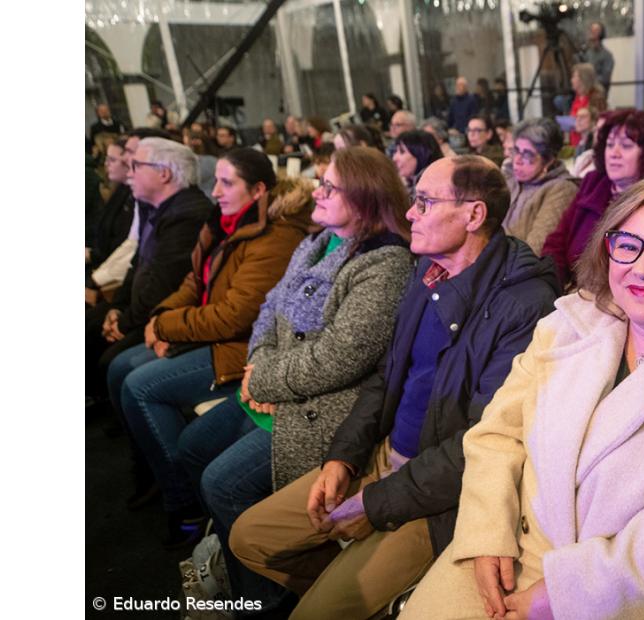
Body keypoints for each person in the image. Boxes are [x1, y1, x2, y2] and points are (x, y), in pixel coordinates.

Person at [401, 175, 644, 620]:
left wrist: (563, 597)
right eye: (627, 244)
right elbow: (496, 434)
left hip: (642, 595)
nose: (643, 268)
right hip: (514, 548)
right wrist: (485, 531)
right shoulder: (569, 324)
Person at [229, 155, 560, 620]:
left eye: (423, 202)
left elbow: (480, 445)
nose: (409, 213)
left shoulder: (525, 305)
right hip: (383, 457)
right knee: (250, 537)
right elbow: (387, 377)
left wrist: (379, 503)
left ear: (473, 215)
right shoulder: (429, 273)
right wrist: (342, 456)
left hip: (439, 497)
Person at [175, 145, 415, 611]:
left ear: (364, 199)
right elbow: (270, 307)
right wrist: (257, 370)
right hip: (274, 385)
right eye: (320, 182)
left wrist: (263, 380)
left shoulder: (384, 263)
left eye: (329, 187)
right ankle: (241, 569)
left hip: (320, 407)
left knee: (221, 485)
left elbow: (338, 358)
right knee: (193, 448)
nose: (315, 192)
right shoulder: (314, 241)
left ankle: (266, 598)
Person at [112, 148, 314, 547]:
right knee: (122, 368)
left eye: (227, 182)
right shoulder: (225, 224)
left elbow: (235, 316)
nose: (215, 190)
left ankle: (182, 502)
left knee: (140, 385)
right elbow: (195, 280)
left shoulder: (275, 236)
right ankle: (163, 479)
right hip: (215, 335)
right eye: (215, 180)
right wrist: (162, 316)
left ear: (257, 190)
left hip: (239, 349)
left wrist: (169, 325)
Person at [86, 136, 213, 414]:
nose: (129, 173)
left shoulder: (188, 214)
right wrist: (118, 307)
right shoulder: (157, 209)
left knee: (119, 364)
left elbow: (164, 284)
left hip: (165, 313)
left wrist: (125, 320)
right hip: (146, 309)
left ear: (164, 173)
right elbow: (138, 267)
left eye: (136, 166)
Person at [542, 108, 644, 288]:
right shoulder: (593, 183)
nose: (614, 153)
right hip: (574, 292)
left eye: (626, 145)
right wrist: (551, 284)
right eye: (609, 145)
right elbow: (557, 241)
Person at [502, 118, 579, 255]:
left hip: (521, 272)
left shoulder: (562, 189)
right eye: (516, 150)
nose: (517, 160)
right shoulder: (509, 178)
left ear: (548, 160)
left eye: (527, 154)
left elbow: (535, 252)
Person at [87, 139, 137, 303]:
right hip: (104, 266)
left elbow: (127, 246)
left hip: (114, 276)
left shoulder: (134, 197)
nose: (106, 164)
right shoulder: (122, 190)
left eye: (112, 159)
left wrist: (94, 280)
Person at [392, 129, 445, 195]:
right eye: (395, 151)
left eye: (402, 152)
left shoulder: (430, 190)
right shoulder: (411, 183)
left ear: (421, 154)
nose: (394, 158)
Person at [567, 63, 607, 147]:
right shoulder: (578, 97)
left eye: (574, 77)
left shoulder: (596, 97)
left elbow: (597, 121)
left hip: (590, 142)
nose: (571, 80)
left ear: (583, 79)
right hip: (576, 141)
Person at [578, 20, 614, 93]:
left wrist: (589, 79)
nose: (592, 32)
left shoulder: (607, 56)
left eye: (595, 30)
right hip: (582, 89)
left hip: (597, 91)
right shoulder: (586, 52)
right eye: (591, 29)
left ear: (601, 34)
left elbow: (605, 78)